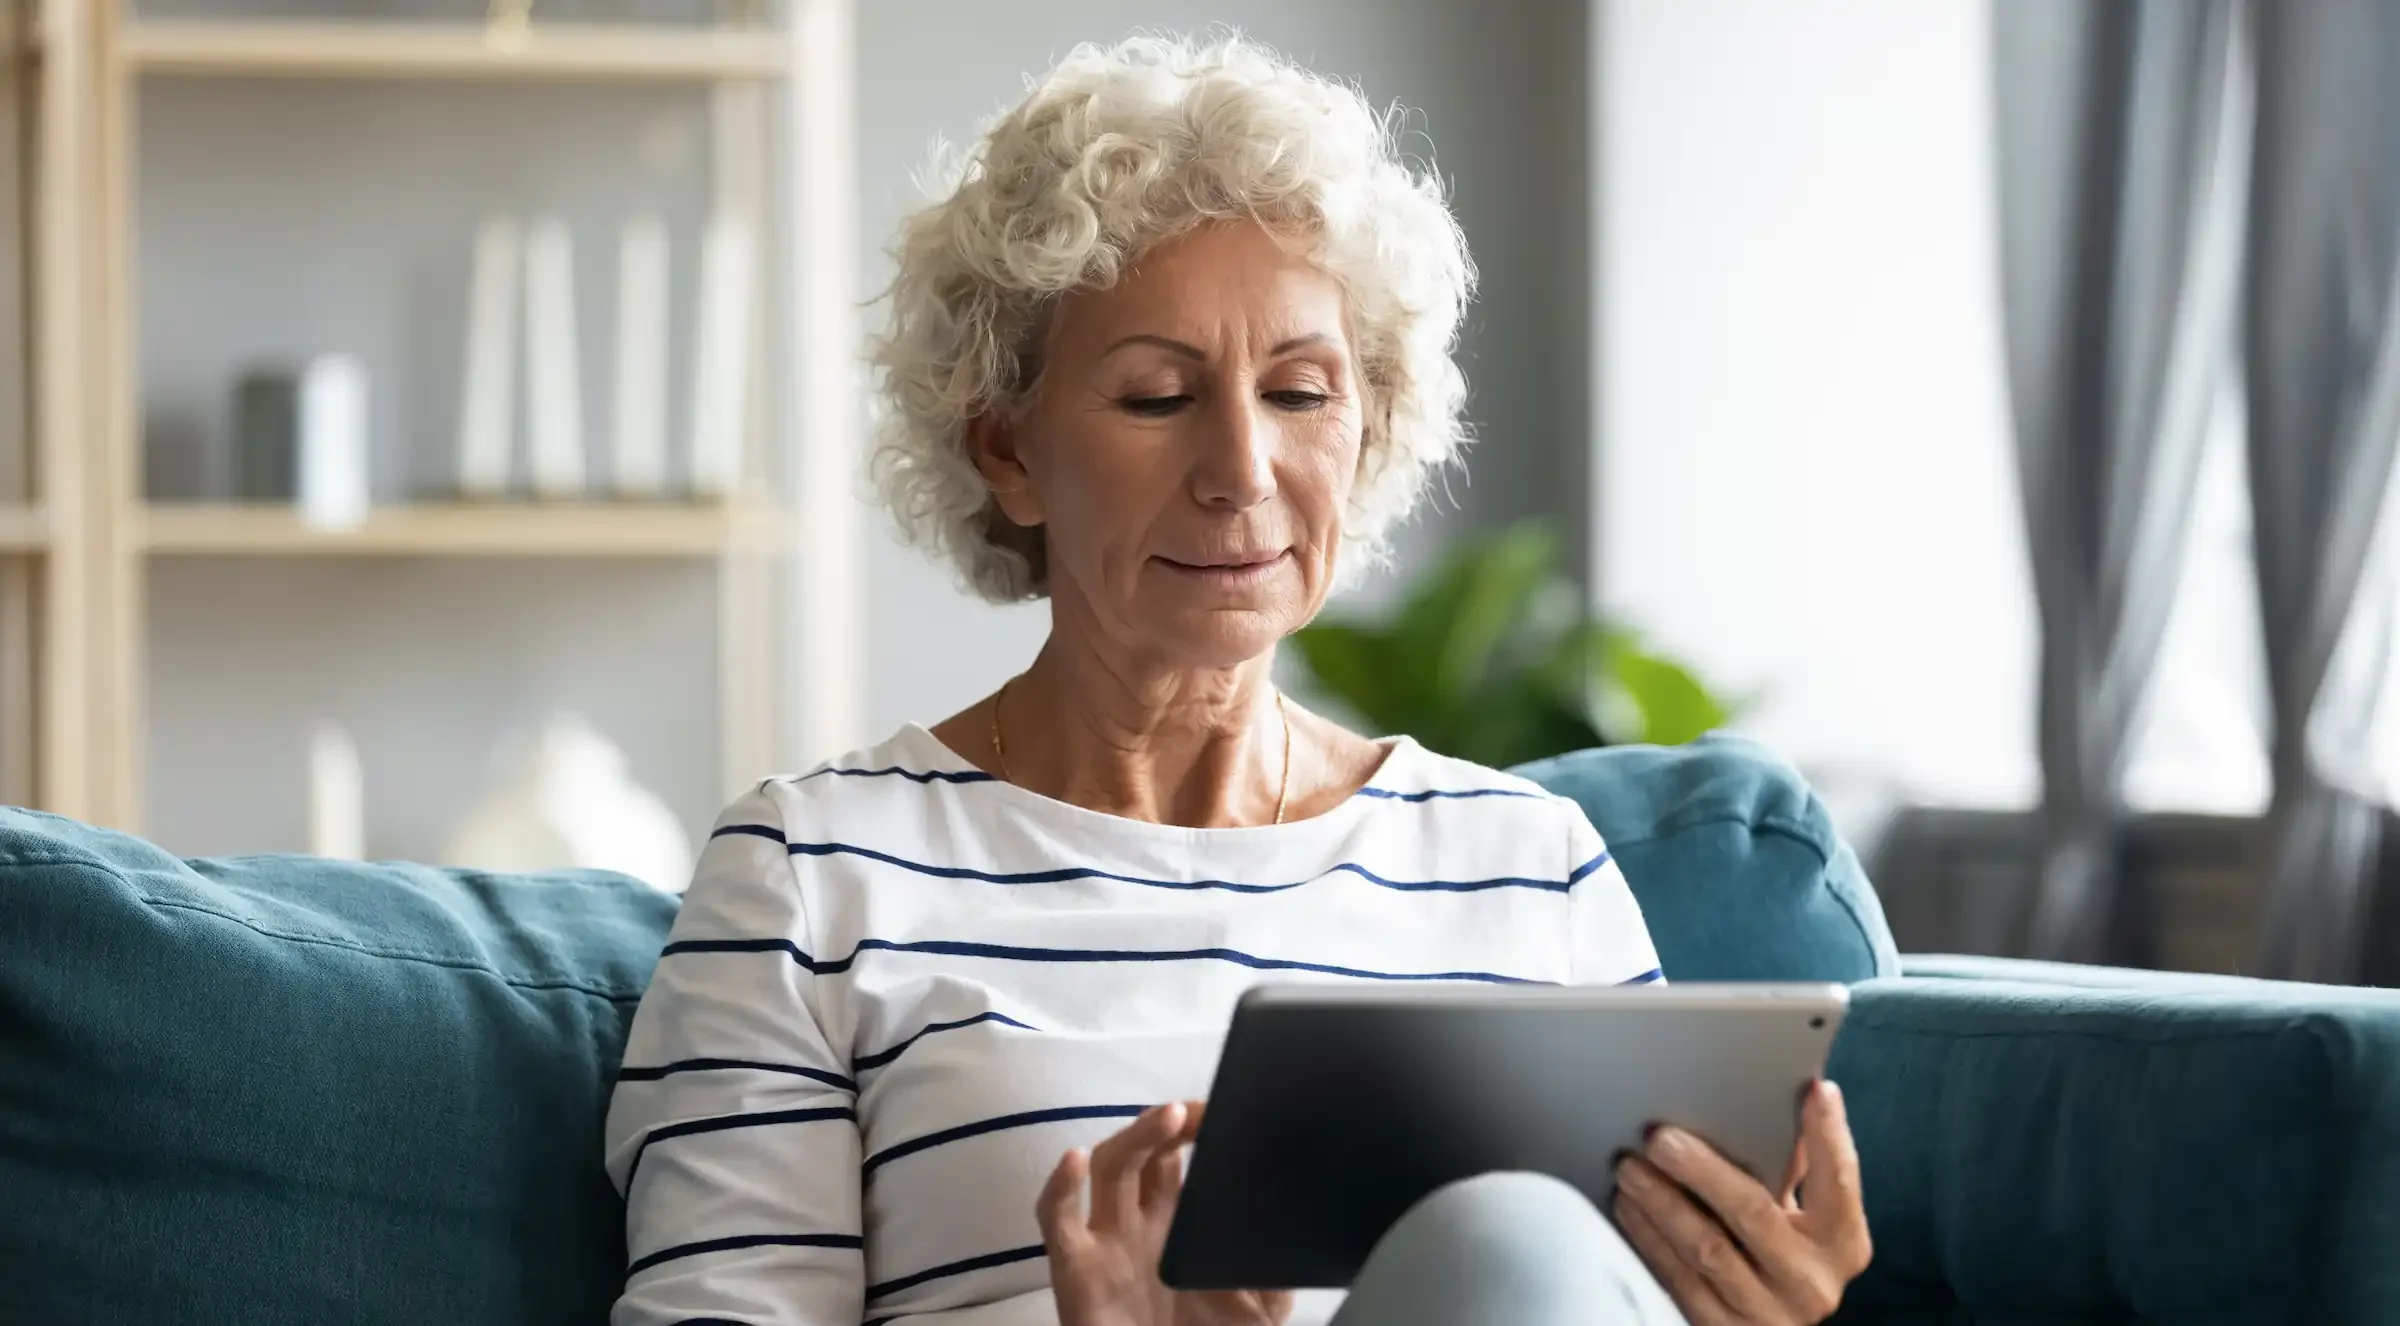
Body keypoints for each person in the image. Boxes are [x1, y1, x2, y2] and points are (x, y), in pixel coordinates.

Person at [604, 33, 1871, 1326]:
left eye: (1301, 391)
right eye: (1157, 396)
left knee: (1508, 1247)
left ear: (1367, 423)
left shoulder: (1527, 865)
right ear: (1009, 449)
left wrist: (1762, 1310)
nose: (1243, 469)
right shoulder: (816, 872)